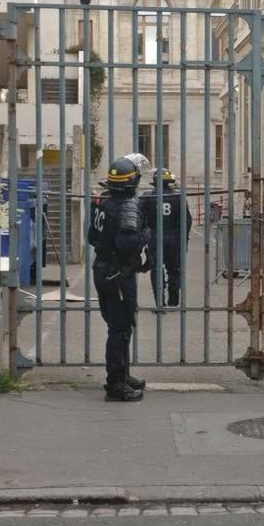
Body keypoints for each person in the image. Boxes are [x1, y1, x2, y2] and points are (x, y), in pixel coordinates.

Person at [88, 156, 149, 402]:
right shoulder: (126, 206)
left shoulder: (104, 202)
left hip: (102, 269)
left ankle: (123, 374)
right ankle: (115, 384)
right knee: (120, 329)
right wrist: (147, 234)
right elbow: (128, 243)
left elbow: (91, 236)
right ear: (132, 182)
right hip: (118, 275)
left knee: (118, 327)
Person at [141, 169, 192, 307]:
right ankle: (173, 300)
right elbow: (186, 220)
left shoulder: (147, 197)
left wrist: (142, 238)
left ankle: (160, 302)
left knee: (157, 269)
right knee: (174, 268)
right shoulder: (178, 196)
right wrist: (184, 239)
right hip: (174, 236)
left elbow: (140, 219)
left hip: (154, 236)